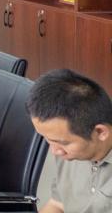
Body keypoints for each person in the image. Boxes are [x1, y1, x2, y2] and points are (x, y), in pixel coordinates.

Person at [27, 69, 112, 213]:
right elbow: (57, 204)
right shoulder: (65, 150)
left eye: (63, 143)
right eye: (46, 138)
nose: (54, 151)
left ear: (100, 132)